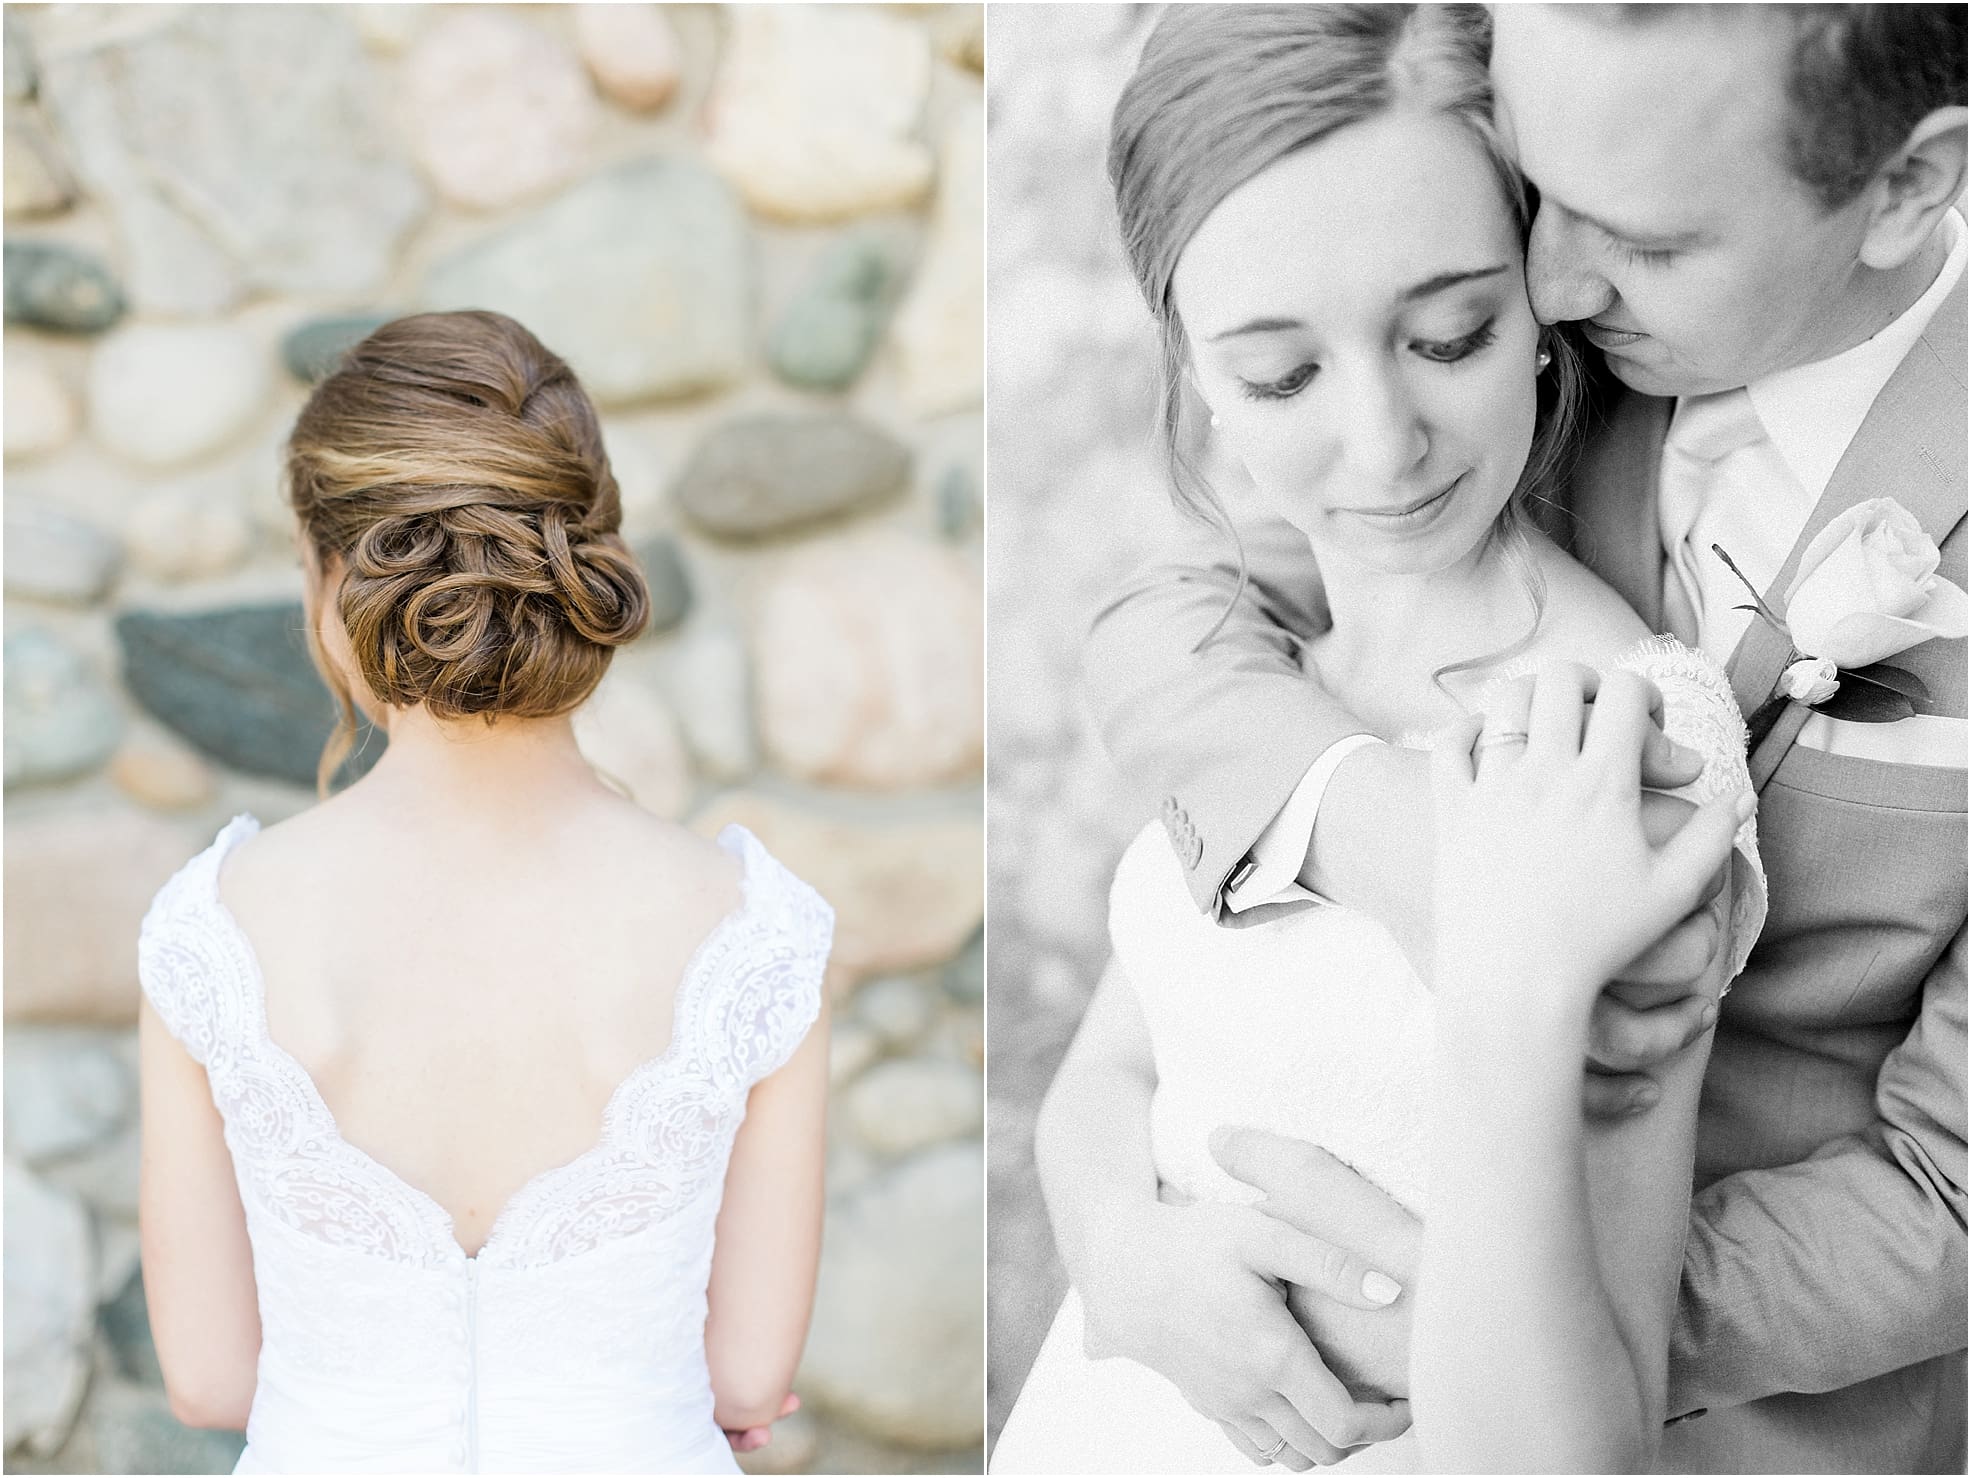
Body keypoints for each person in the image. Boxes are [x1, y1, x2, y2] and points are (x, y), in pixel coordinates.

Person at [1082, 3, 1967, 1472]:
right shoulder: (1503, 378)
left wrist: (1478, 1308)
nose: (1549, 279)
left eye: (1638, 238)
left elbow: (1948, 1197)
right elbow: (1180, 624)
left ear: (1905, 186)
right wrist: (1125, 1242)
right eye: (1536, 195)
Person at [136, 311, 833, 1474]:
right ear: (582, 555)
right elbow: (750, 1376)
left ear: (328, 582)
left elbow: (208, 1378)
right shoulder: (751, 930)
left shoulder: (215, 927)